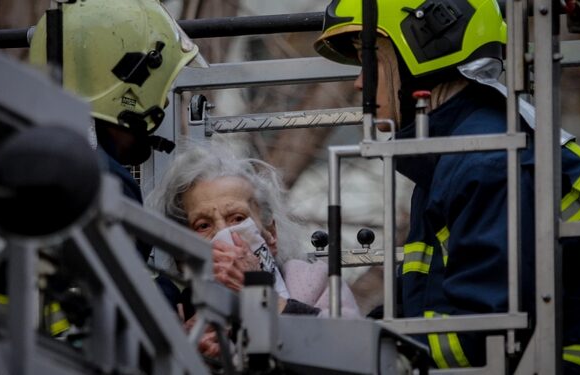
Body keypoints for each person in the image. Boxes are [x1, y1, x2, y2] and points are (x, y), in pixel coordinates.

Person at [314, 0, 580, 373]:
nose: (359, 82)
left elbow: (480, 333)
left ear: (423, 51)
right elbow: (415, 308)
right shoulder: (454, 156)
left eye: (371, 61)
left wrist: (372, 356)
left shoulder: (486, 160)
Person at [28, 0, 204, 308]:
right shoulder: (105, 182)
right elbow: (125, 310)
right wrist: (181, 290)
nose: (163, 104)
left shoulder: (31, 155)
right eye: (160, 85)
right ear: (130, 83)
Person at [147, 142, 360, 356]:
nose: (224, 234)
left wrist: (260, 295)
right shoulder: (173, 309)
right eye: (203, 225)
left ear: (271, 234)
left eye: (237, 218)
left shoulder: (315, 281)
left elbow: (353, 350)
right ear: (182, 257)